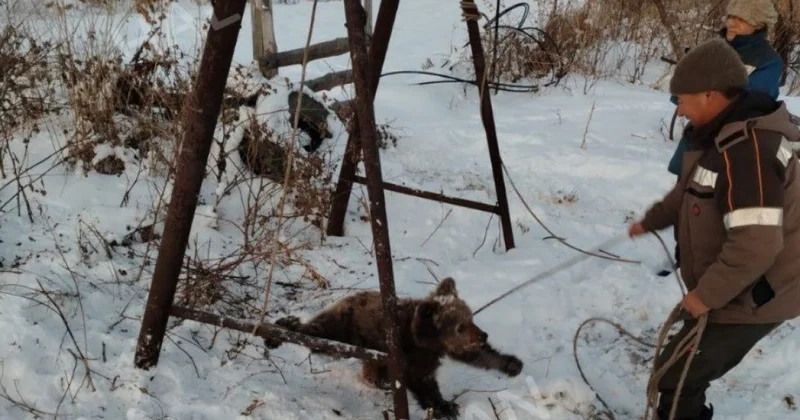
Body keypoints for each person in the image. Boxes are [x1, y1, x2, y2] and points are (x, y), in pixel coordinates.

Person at [629, 38, 800, 419]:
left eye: (683, 99)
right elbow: (689, 190)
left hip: (754, 296)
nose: (680, 109)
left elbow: (755, 247)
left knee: (676, 377)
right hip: (731, 285)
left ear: (709, 94)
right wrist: (653, 219)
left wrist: (705, 296)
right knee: (676, 370)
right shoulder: (719, 136)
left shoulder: (748, 151)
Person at [660, 0, 783, 275]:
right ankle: (684, 262)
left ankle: (712, 272)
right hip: (695, 143)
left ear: (759, 24)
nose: (732, 23)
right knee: (685, 204)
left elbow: (751, 105)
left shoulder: (768, 61)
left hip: (729, 149)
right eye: (731, 16)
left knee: (712, 213)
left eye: (741, 18)